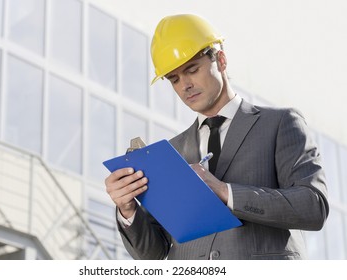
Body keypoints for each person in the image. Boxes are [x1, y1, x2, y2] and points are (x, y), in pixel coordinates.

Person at [105, 14, 329, 260]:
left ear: (221, 60)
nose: (184, 86)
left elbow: (313, 205)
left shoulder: (280, 124)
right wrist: (128, 209)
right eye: (174, 79)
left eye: (192, 70)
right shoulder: (172, 152)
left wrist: (224, 191)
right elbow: (154, 255)